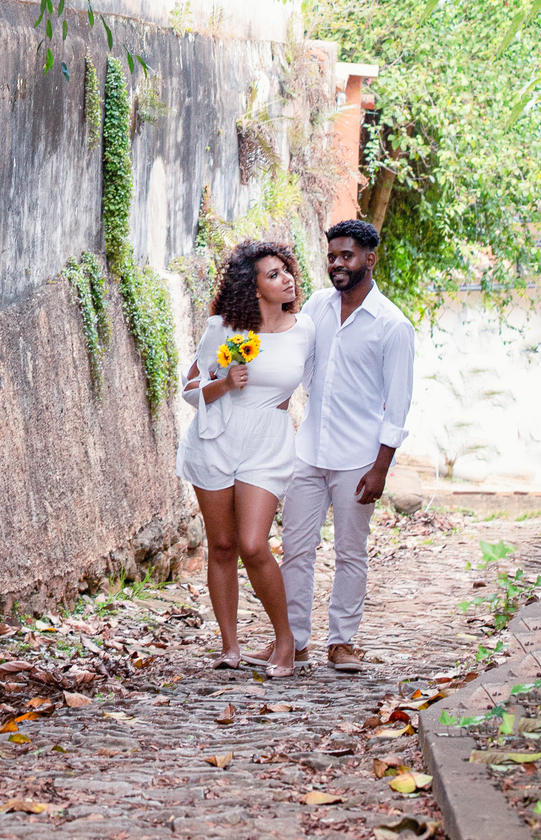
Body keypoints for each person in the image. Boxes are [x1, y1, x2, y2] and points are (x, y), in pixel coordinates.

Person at [254, 218, 414, 673]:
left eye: (347, 255)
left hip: (358, 460)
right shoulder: (317, 307)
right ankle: (294, 641)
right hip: (308, 451)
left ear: (370, 259)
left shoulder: (393, 325)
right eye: (331, 257)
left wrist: (380, 468)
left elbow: (398, 405)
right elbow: (297, 364)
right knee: (295, 548)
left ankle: (342, 641)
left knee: (350, 552)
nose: (337, 264)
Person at [177, 240, 315, 675]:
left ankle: (286, 642)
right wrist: (224, 383)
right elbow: (189, 390)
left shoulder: (305, 330)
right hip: (216, 439)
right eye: (273, 274)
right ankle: (230, 646)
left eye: (286, 270)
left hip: (267, 443)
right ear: (253, 288)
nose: (286, 278)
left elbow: (319, 383)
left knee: (253, 545)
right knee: (222, 545)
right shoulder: (225, 329)